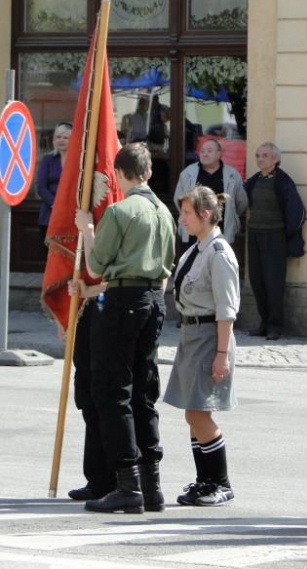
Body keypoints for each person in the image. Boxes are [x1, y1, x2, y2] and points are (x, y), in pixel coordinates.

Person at [74, 142, 176, 514]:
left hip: (122, 300)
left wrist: (87, 230)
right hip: (153, 300)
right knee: (143, 390)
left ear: (119, 174)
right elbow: (168, 262)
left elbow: (97, 264)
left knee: (112, 388)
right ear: (148, 173)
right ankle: (151, 485)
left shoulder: (119, 211)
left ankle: (127, 482)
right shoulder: (164, 212)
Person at [164, 186, 240, 507]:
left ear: (205, 215)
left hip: (210, 337)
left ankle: (220, 483)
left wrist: (221, 355)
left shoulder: (219, 253)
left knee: (199, 413)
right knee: (192, 414)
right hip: (191, 337)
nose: (182, 219)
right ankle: (203, 479)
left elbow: (226, 310)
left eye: (187, 214)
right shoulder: (196, 249)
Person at [243, 142, 306, 340]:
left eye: (265, 156)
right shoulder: (253, 181)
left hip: (274, 237)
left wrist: (283, 235)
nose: (260, 159)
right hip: (254, 236)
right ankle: (264, 322)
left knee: (273, 283)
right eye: (258, 156)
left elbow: (297, 213)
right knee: (257, 280)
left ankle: (275, 326)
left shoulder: (283, 181)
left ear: (276, 159)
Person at [65, 278, 113, 502]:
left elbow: (129, 282)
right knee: (88, 395)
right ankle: (97, 479)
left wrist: (90, 290)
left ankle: (119, 480)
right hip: (88, 313)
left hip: (116, 314)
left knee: (109, 398)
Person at [174, 138, 247, 247]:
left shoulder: (232, 175)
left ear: (219, 154)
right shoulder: (188, 173)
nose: (205, 154)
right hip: (193, 235)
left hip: (221, 232)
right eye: (202, 151)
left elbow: (241, 202)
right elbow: (178, 199)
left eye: (209, 151)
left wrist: (231, 215)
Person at [37, 122, 71, 242]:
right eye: (58, 137)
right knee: (48, 255)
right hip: (49, 214)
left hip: (71, 213)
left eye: (65, 137)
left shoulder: (78, 161)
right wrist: (55, 205)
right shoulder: (47, 159)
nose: (61, 140)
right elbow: (41, 187)